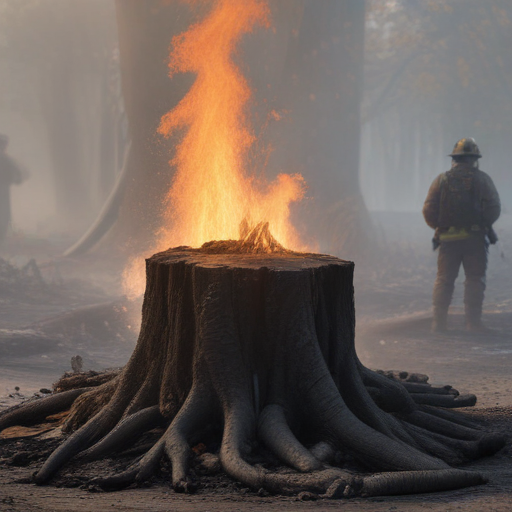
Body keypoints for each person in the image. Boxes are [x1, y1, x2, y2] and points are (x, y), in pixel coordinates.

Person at [423, 137, 501, 333]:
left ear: (455, 158)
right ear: (474, 158)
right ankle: (473, 324)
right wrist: (483, 224)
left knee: (444, 279)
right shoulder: (483, 179)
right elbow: (494, 208)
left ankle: (438, 324)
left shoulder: (441, 180)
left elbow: (428, 209)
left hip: (448, 241)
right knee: (475, 279)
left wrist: (440, 228)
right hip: (475, 241)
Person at [0, 134, 23, 245]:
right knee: (4, 212)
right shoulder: (6, 158)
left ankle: (2, 237)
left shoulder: (7, 159)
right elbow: (17, 173)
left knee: (4, 213)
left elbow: (17, 173)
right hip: (4, 187)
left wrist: (17, 178)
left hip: (4, 188)